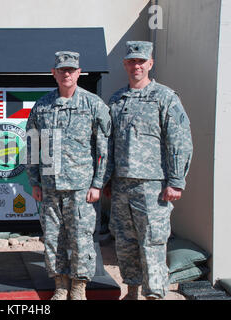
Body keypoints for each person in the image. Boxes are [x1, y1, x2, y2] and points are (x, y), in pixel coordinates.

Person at [105, 41, 193, 300]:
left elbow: (180, 141)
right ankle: (131, 291)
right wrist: (108, 178)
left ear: (150, 64)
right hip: (121, 185)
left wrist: (176, 181)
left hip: (153, 186)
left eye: (142, 61)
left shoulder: (165, 97)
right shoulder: (116, 100)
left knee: (153, 242)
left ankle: (155, 294)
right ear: (125, 65)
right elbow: (109, 143)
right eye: (132, 61)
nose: (137, 66)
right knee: (125, 242)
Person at [25, 51, 111, 300]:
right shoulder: (42, 106)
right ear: (54, 73)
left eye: (71, 70)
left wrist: (97, 184)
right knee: (53, 237)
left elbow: (103, 148)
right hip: (50, 186)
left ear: (78, 72)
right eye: (62, 70)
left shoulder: (92, 104)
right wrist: (34, 181)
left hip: (81, 186)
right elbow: (31, 145)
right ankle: (60, 285)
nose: (66, 74)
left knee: (81, 238)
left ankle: (79, 286)